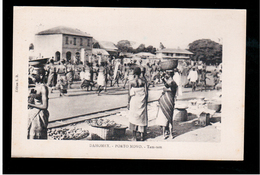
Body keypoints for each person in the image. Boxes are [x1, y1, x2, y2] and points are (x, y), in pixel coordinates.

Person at [127, 66, 148, 141]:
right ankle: (142, 136)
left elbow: (129, 94)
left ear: (134, 73)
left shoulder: (131, 82)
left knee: (134, 118)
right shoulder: (143, 82)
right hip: (141, 101)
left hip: (134, 102)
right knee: (142, 118)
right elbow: (146, 93)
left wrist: (128, 103)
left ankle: (134, 137)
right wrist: (145, 101)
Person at [156, 70, 178, 139]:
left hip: (166, 101)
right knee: (169, 118)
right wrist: (163, 79)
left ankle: (164, 134)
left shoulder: (172, 83)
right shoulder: (174, 83)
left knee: (164, 118)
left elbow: (167, 85)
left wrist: (163, 79)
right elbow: (168, 86)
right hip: (170, 101)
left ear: (169, 75)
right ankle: (170, 134)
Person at [28, 68, 49, 139]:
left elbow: (45, 106)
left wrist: (30, 104)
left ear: (41, 76)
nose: (32, 76)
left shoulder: (43, 88)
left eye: (34, 75)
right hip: (33, 113)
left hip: (39, 115)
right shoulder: (36, 86)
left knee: (37, 136)